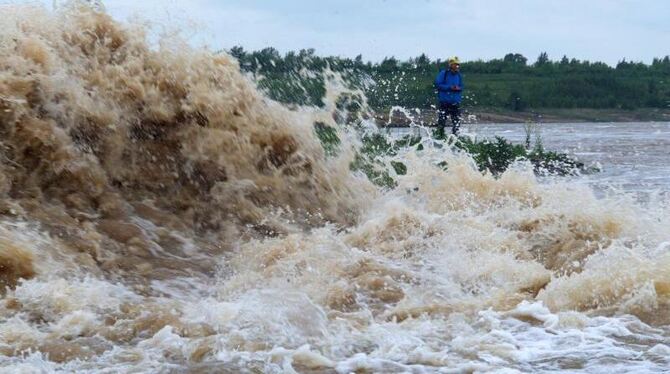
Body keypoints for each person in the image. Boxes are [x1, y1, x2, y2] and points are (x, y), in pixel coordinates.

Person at [434, 57, 464, 136]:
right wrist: (450, 87)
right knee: (442, 122)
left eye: (458, 65)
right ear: (451, 65)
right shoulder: (444, 74)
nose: (457, 66)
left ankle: (455, 139)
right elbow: (438, 84)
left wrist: (458, 88)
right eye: (455, 65)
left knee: (457, 123)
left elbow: (462, 86)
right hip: (444, 103)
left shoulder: (459, 75)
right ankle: (439, 137)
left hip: (455, 103)